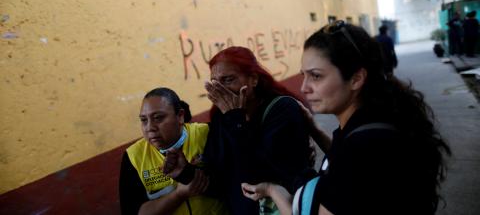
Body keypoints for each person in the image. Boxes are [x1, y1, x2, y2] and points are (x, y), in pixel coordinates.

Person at [241, 21, 451, 215]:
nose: (304, 88)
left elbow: (351, 162)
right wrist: (314, 129)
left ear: (356, 78)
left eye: (316, 76)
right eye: (303, 75)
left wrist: (273, 190)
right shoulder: (371, 119)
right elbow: (347, 162)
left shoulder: (365, 147)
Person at [164, 46, 324, 215]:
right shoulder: (222, 118)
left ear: (253, 79)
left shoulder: (282, 109)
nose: (221, 89)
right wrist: (185, 172)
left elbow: (262, 172)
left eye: (228, 80)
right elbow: (222, 182)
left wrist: (235, 119)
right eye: (215, 82)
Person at [118, 87, 228, 215]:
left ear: (180, 116)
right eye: (144, 120)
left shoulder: (208, 134)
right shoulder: (133, 156)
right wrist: (178, 195)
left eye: (158, 118)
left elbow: (235, 184)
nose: (150, 128)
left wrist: (190, 173)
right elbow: (133, 211)